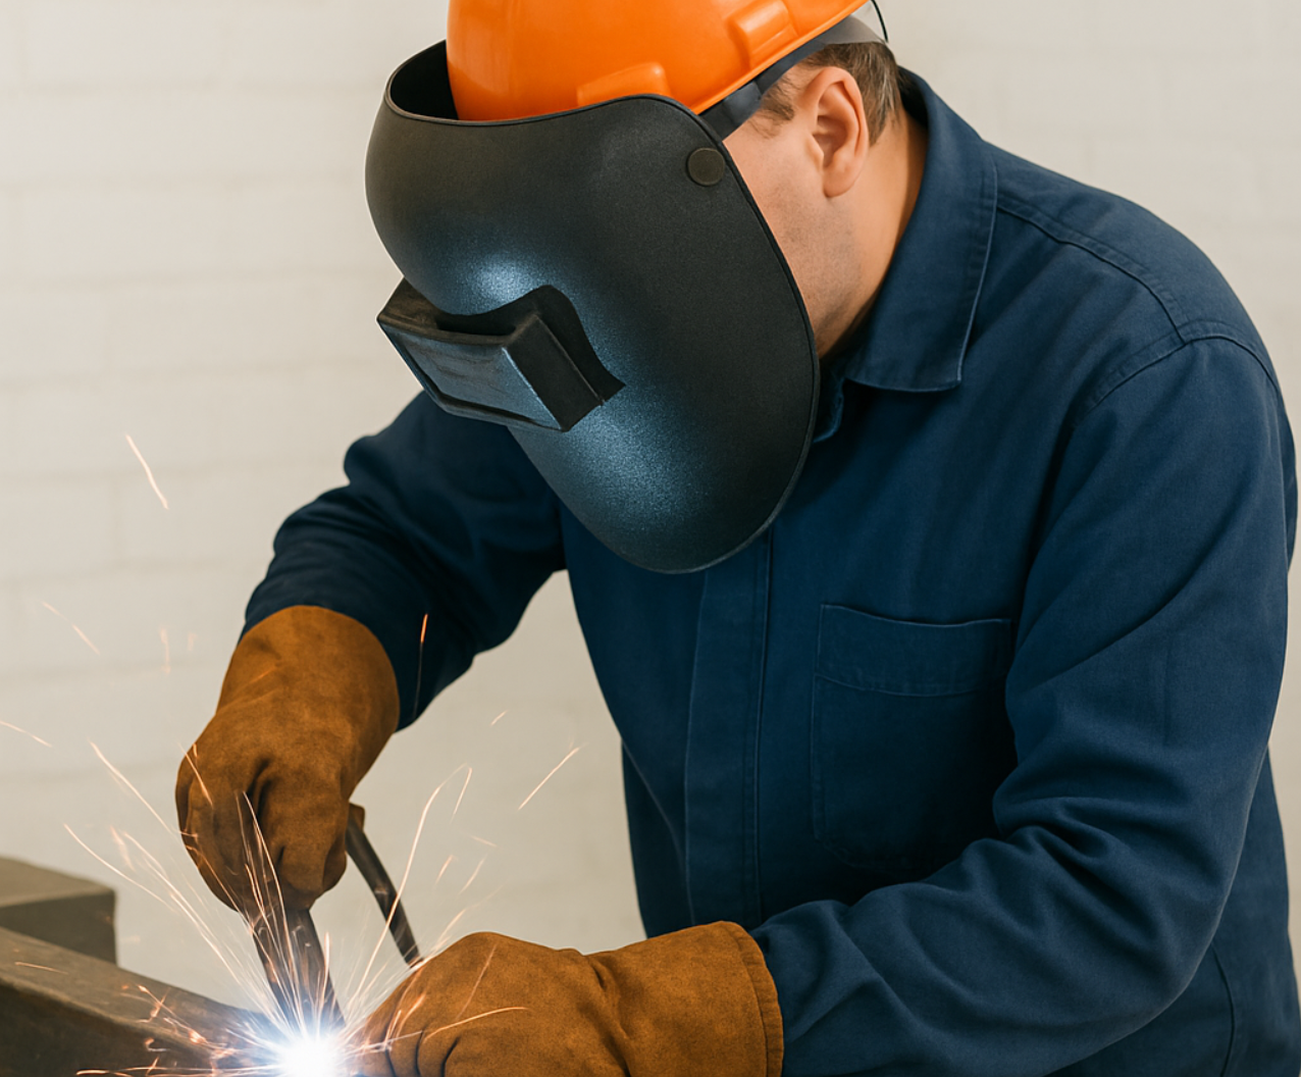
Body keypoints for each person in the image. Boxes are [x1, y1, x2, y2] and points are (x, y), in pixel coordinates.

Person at [174, 1, 1301, 1073]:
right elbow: (403, 534)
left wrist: (636, 1027)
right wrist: (297, 690)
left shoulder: (1142, 377)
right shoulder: (600, 325)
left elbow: (1111, 892)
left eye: (619, 225)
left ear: (828, 128)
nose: (591, 294)